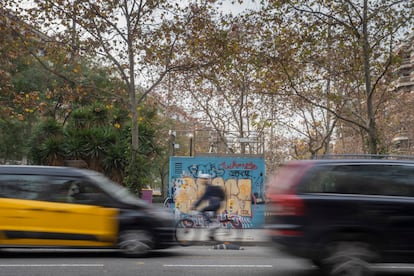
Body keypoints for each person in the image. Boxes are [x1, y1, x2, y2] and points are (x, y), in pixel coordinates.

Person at [192, 174, 226, 241]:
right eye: (202, 179)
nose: (202, 181)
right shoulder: (210, 187)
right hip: (217, 204)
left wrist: (195, 205)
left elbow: (203, 198)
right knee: (214, 219)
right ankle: (211, 236)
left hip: (215, 204)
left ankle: (212, 224)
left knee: (202, 210)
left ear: (207, 180)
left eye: (204, 179)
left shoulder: (208, 188)